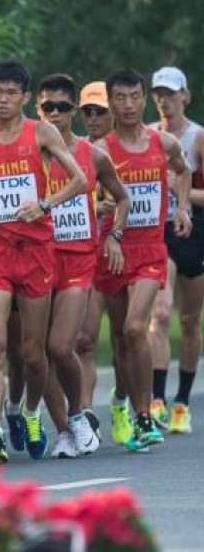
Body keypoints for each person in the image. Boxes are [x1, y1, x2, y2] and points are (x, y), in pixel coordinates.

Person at [0, 60, 87, 465]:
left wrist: (45, 204)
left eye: (10, 93)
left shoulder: (42, 132)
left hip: (36, 252)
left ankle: (33, 412)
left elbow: (79, 180)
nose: (2, 99)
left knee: (34, 354)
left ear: (23, 97)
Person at [93, 69, 192, 452]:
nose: (129, 105)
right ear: (110, 102)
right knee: (121, 338)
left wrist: (183, 209)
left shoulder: (162, 142)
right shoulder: (101, 148)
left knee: (137, 327)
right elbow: (89, 196)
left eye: (135, 96)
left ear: (143, 99)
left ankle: (146, 414)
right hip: (114, 250)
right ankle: (126, 403)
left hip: (151, 249)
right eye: (121, 98)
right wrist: (105, 208)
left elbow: (183, 172)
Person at [34, 74, 129, 459]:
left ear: (73, 110)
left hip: (77, 259)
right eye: (47, 108)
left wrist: (114, 235)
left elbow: (122, 198)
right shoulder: (28, 153)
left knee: (60, 346)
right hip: (37, 259)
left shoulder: (93, 155)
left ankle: (77, 414)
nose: (54, 115)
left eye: (61, 107)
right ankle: (62, 431)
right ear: (37, 110)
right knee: (35, 352)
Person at [147, 67, 204, 434]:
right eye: (158, 94)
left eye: (170, 93)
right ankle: (156, 400)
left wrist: (178, 188)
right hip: (156, 231)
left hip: (193, 231)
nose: (164, 100)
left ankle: (182, 400)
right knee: (162, 314)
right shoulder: (147, 136)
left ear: (185, 95)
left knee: (188, 321)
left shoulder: (198, 138)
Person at [74, 81, 118, 441]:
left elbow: (129, 197)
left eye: (99, 111)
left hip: (122, 251)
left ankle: (126, 401)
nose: (93, 118)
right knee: (84, 338)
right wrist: (93, 207)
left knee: (126, 334)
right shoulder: (71, 150)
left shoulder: (118, 150)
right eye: (87, 111)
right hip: (84, 252)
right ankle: (85, 409)